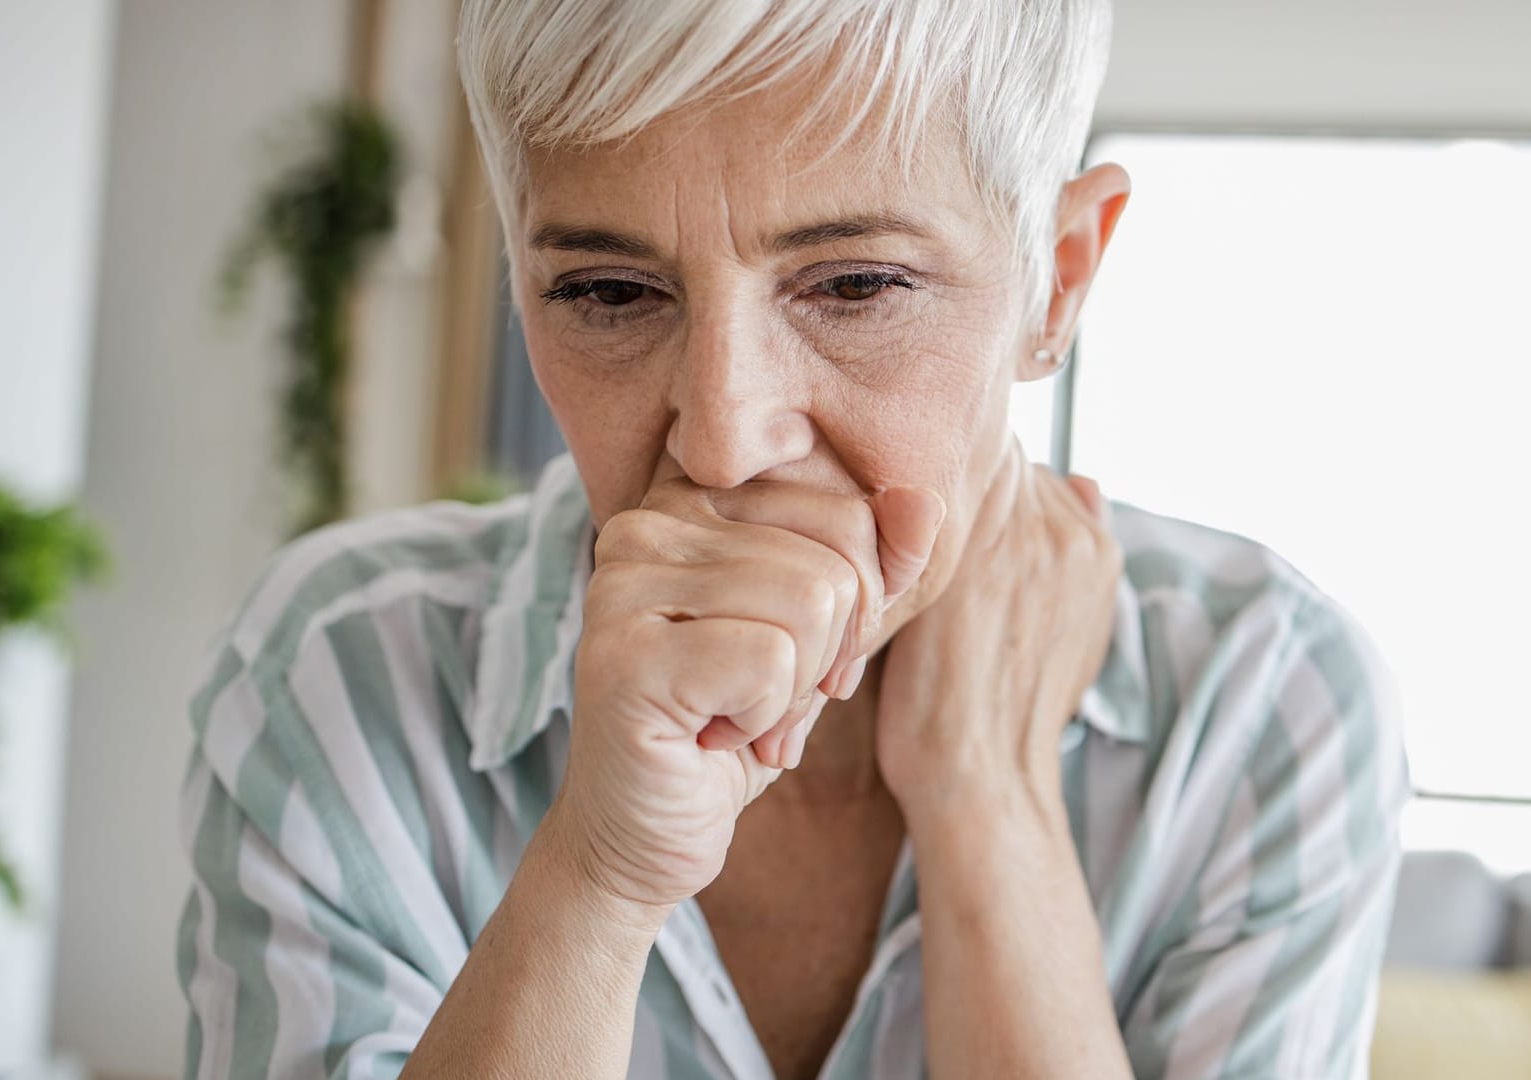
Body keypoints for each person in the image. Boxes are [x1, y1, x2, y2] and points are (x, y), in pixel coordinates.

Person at [177, 1, 1408, 1077]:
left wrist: (991, 803)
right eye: (609, 293)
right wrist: (598, 878)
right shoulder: (343, 671)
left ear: (1060, 280)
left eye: (856, 286)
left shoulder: (1264, 701)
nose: (723, 437)